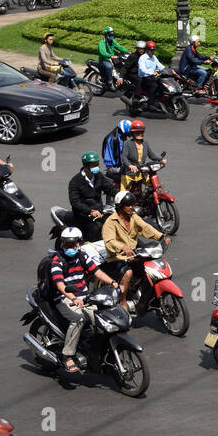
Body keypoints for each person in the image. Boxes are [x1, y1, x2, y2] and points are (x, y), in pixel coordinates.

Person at [48, 227, 123, 374]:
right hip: (65, 298)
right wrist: (74, 298)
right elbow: (60, 285)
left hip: (84, 297)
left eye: (72, 244)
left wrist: (113, 283)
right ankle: (67, 355)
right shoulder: (57, 261)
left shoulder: (82, 256)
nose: (69, 247)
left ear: (79, 243)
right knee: (79, 320)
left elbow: (97, 271)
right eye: (66, 244)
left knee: (102, 319)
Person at [101, 190, 166, 306]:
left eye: (132, 205)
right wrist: (123, 247)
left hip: (133, 254)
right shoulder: (110, 222)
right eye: (128, 205)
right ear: (120, 207)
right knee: (128, 273)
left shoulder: (133, 217)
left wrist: (161, 237)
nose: (131, 208)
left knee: (151, 268)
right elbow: (109, 241)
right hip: (117, 257)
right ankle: (123, 301)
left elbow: (145, 227)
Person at [69, 151, 119, 243]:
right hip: (84, 216)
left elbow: (109, 188)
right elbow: (75, 202)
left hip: (99, 212)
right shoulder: (75, 182)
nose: (96, 167)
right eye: (93, 165)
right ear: (85, 166)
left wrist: (121, 195)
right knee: (97, 230)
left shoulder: (98, 176)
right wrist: (90, 211)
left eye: (97, 165)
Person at [120, 120, 165, 192]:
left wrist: (161, 160)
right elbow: (124, 157)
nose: (140, 134)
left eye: (142, 132)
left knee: (154, 186)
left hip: (141, 172)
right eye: (137, 132)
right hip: (129, 175)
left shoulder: (145, 143)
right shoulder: (128, 144)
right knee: (125, 197)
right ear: (133, 133)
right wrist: (130, 166)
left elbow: (151, 155)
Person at [135, 40, 162, 108]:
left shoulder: (154, 57)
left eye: (153, 50)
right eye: (151, 50)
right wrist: (152, 73)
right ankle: (150, 103)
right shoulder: (142, 58)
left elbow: (160, 66)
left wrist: (170, 70)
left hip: (153, 76)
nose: (152, 52)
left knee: (162, 84)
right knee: (154, 85)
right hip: (144, 77)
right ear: (147, 50)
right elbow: (142, 69)